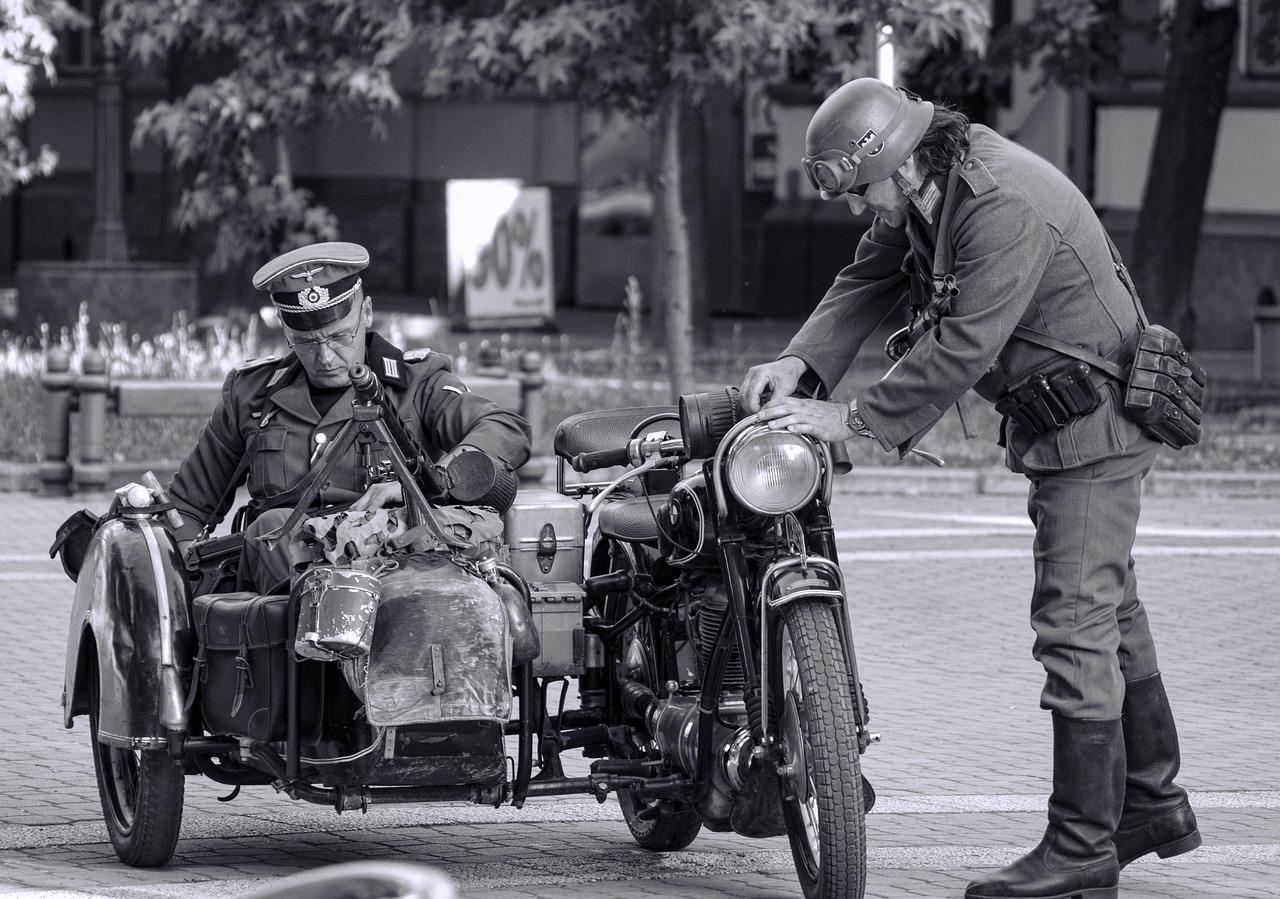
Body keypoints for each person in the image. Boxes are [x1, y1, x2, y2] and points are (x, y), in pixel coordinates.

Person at [740, 78, 1200, 899]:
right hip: (1058, 423)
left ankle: (1082, 847)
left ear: (893, 158)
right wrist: (797, 362)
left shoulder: (999, 204)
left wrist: (847, 419)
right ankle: (1151, 803)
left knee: (1073, 623)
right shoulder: (926, 191)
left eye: (857, 189)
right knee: (1111, 609)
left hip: (1094, 430)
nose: (856, 209)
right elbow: (867, 278)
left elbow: (960, 345)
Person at [167, 241, 531, 592]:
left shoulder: (416, 383)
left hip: (391, 581)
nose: (325, 357)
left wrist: (428, 481)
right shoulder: (252, 395)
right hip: (274, 602)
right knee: (272, 527)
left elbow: (504, 428)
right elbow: (186, 507)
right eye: (307, 342)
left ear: (367, 313)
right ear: (284, 328)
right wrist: (190, 577)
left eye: (340, 337)